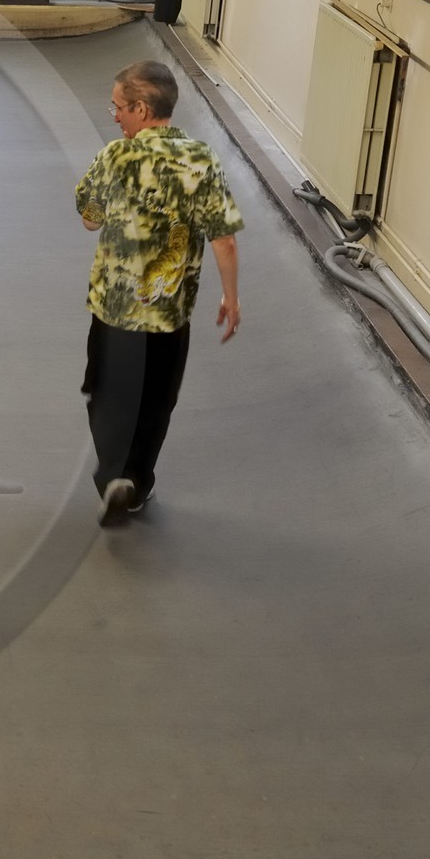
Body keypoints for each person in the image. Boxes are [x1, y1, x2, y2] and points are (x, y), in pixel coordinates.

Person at [74, 60, 243, 527]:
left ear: (142, 109)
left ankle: (112, 473)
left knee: (105, 392)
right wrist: (230, 297)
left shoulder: (116, 158)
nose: (116, 116)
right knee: (155, 400)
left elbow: (90, 217)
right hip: (169, 316)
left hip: (113, 310)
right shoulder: (202, 159)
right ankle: (136, 478)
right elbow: (224, 238)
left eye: (119, 107)